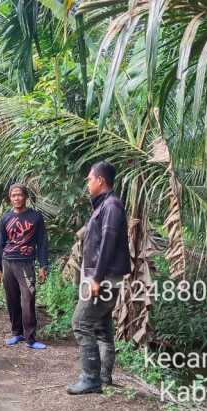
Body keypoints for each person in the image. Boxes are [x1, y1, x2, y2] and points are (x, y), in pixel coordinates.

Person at [66, 161, 130, 395]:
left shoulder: (111, 206)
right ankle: (104, 376)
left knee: (81, 322)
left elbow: (108, 244)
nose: (88, 183)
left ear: (100, 180)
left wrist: (96, 278)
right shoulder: (104, 206)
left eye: (90, 179)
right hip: (103, 277)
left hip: (103, 279)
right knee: (102, 326)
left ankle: (91, 378)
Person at [0, 184, 50, 349]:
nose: (16, 198)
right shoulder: (5, 218)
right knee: (12, 299)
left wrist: (43, 265)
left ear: (25, 197)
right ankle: (16, 333)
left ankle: (30, 338)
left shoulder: (36, 217)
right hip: (8, 261)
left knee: (28, 298)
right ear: (10, 198)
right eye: (13, 195)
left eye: (19, 195)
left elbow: (42, 243)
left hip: (26, 263)